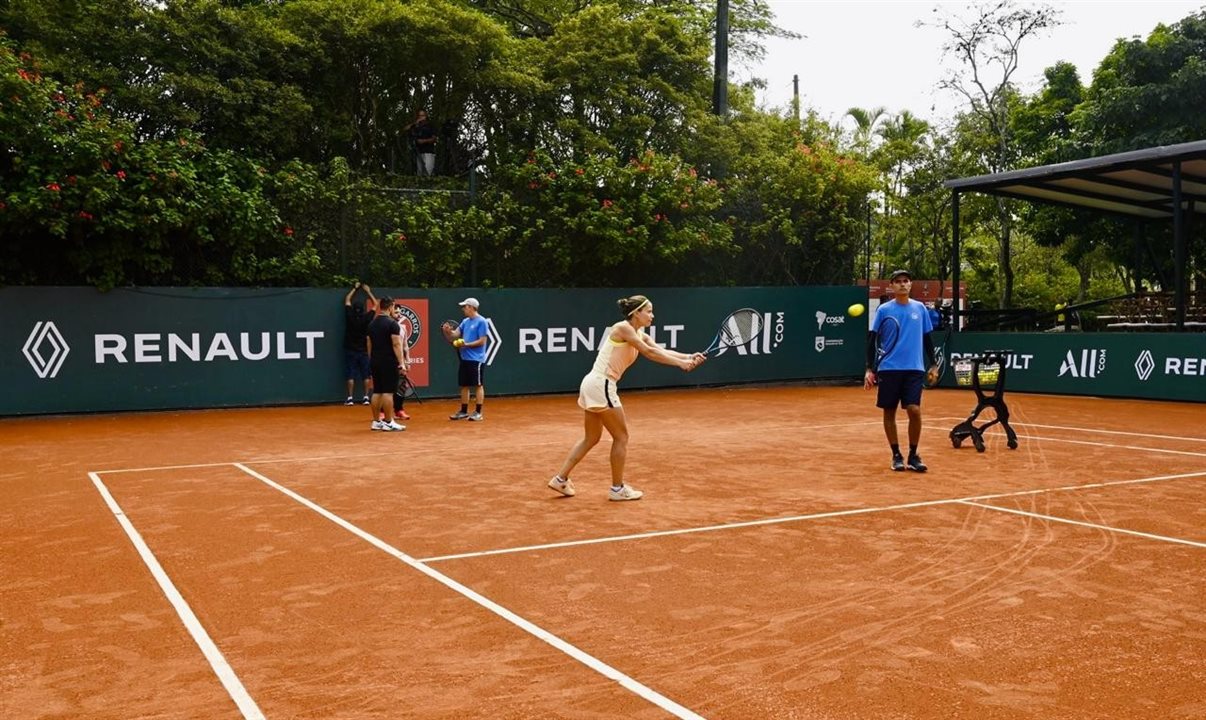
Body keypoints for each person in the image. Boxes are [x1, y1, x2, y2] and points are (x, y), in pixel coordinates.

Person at [547, 295, 706, 501]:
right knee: (621, 437)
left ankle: (560, 479)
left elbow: (659, 349)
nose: (652, 315)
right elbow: (649, 353)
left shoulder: (639, 332)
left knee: (592, 438)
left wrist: (688, 357)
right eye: (648, 311)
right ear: (636, 313)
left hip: (593, 384)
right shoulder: (622, 328)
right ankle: (617, 489)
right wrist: (681, 364)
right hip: (602, 384)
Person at [864, 269, 938, 472]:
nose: (903, 284)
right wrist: (870, 368)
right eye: (898, 282)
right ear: (892, 286)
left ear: (911, 284)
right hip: (889, 368)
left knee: (914, 410)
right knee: (890, 411)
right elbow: (872, 340)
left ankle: (914, 455)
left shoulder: (920, 309)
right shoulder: (884, 310)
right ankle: (896, 454)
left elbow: (927, 338)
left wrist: (933, 364)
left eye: (906, 281)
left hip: (914, 368)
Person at [441, 298, 490, 421]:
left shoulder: (482, 321)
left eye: (465, 306)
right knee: (464, 385)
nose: (463, 309)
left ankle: (478, 412)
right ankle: (463, 411)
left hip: (476, 359)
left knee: (478, 385)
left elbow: (482, 341)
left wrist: (465, 345)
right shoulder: (465, 321)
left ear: (471, 307)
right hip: (464, 358)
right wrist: (446, 331)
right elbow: (454, 336)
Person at [365, 296, 406, 432]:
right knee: (388, 392)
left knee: (377, 391)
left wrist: (372, 359)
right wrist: (402, 363)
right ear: (390, 307)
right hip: (388, 362)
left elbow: (369, 344)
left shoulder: (372, 324)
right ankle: (388, 422)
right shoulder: (392, 324)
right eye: (394, 307)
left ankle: (376, 422)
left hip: (375, 361)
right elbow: (396, 344)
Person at [343, 282, 376, 405]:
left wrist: (354, 288)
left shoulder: (349, 316)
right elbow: (376, 305)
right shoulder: (367, 318)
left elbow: (347, 300)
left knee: (350, 374)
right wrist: (368, 291)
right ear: (362, 310)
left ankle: (350, 398)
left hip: (350, 350)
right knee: (366, 375)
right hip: (363, 351)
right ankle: (366, 397)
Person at [405, 110, 437, 176]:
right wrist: (415, 123)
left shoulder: (430, 126)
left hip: (428, 152)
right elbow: (406, 129)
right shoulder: (417, 126)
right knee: (419, 173)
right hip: (419, 152)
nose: (421, 117)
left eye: (423, 115)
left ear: (426, 116)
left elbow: (434, 139)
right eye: (420, 116)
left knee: (428, 172)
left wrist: (424, 141)